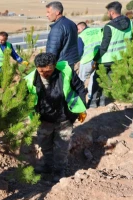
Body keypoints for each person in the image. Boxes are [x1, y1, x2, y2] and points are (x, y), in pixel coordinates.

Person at [25, 53, 87, 181]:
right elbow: (21, 98)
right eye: (41, 71)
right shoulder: (30, 79)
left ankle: (59, 170)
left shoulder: (65, 73)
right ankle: (47, 165)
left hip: (64, 117)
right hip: (43, 119)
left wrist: (82, 108)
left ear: (54, 66)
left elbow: (80, 88)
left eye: (48, 71)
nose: (44, 74)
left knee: (62, 147)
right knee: (45, 144)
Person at [90, 1, 133, 108]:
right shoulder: (130, 22)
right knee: (109, 81)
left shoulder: (109, 26)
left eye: (108, 12)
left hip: (105, 59)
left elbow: (104, 47)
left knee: (97, 80)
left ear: (111, 12)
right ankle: (103, 102)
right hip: (120, 58)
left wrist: (95, 59)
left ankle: (93, 103)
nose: (107, 14)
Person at [45, 1, 79, 68]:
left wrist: (48, 66)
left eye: (48, 12)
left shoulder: (57, 28)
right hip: (71, 61)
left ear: (57, 12)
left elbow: (52, 51)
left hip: (61, 65)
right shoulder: (71, 23)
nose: (46, 15)